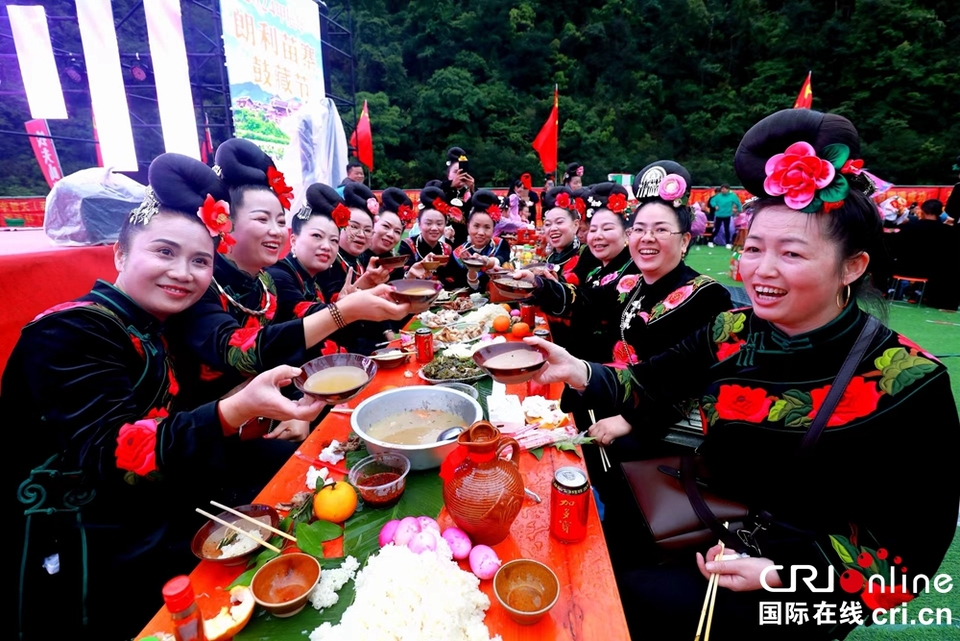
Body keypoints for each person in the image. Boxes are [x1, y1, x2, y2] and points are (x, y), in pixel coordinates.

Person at [525, 109, 960, 640]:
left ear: (853, 266)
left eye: (791, 253)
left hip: (791, 589)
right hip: (701, 528)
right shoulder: (731, 329)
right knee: (592, 580)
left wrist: (781, 575)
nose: (762, 270)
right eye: (753, 249)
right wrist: (577, 370)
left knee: (615, 607)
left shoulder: (910, 381)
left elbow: (909, 554)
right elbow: (650, 383)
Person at [6, 154, 325, 639]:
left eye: (199, 261)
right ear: (119, 254)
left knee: (300, 481)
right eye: (164, 252)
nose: (183, 272)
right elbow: (113, 455)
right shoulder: (69, 332)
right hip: (83, 538)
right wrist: (237, 407)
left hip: (155, 505)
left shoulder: (154, 324)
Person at [165, 139, 411, 418]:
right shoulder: (203, 285)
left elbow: (286, 350)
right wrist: (346, 309)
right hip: (212, 428)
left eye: (280, 221)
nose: (274, 231)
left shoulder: (264, 284)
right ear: (224, 222)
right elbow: (242, 351)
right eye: (262, 219)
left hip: (275, 403)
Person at [317, 181, 390, 303]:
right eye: (354, 227)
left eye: (367, 230)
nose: (361, 235)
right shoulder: (328, 259)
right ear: (339, 226)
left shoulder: (359, 259)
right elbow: (333, 307)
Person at [440, 189, 511, 292]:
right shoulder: (458, 253)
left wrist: (486, 261)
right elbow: (452, 282)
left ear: (493, 229)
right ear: (468, 227)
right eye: (476, 226)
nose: (481, 232)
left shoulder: (500, 244)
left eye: (487, 227)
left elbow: (501, 259)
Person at [360, 187, 415, 281]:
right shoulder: (355, 256)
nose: (391, 234)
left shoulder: (395, 265)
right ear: (373, 223)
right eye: (386, 226)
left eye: (397, 232)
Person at [397, 185, 454, 268]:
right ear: (419, 224)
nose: (434, 228)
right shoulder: (408, 245)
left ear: (445, 224)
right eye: (428, 223)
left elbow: (451, 277)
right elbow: (404, 275)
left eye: (439, 223)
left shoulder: (447, 249)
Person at [440, 147, 475, 246]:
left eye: (461, 171)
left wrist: (472, 189)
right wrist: (451, 185)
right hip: (444, 240)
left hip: (465, 242)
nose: (459, 175)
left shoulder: (469, 192)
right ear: (448, 175)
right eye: (455, 172)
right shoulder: (442, 189)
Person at [708, 183, 741, 248]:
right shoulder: (718, 196)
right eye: (722, 189)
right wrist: (715, 206)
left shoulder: (732, 196)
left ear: (728, 189)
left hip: (727, 215)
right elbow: (712, 201)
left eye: (724, 189)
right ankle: (710, 241)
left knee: (727, 229)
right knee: (716, 229)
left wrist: (739, 210)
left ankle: (728, 243)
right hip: (719, 215)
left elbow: (737, 202)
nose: (723, 190)